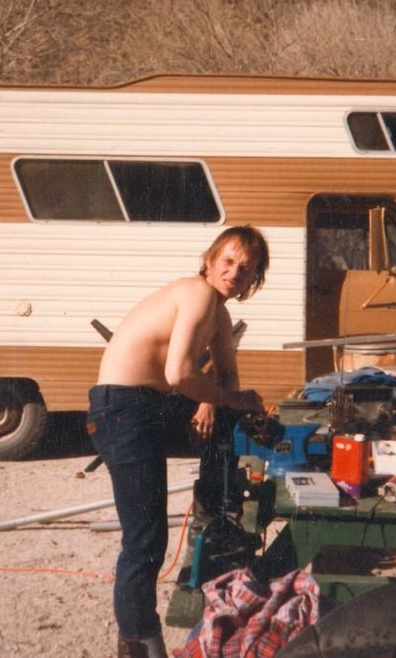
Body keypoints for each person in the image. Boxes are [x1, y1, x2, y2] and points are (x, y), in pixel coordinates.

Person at [87, 226, 270, 658]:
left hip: (144, 407)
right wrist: (221, 398)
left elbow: (226, 377)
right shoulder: (197, 293)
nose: (234, 273)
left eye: (246, 269)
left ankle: (216, 516)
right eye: (227, 262)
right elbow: (180, 374)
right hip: (122, 409)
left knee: (228, 416)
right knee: (145, 540)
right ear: (209, 261)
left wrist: (221, 403)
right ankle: (139, 645)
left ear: (254, 279)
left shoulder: (220, 315)